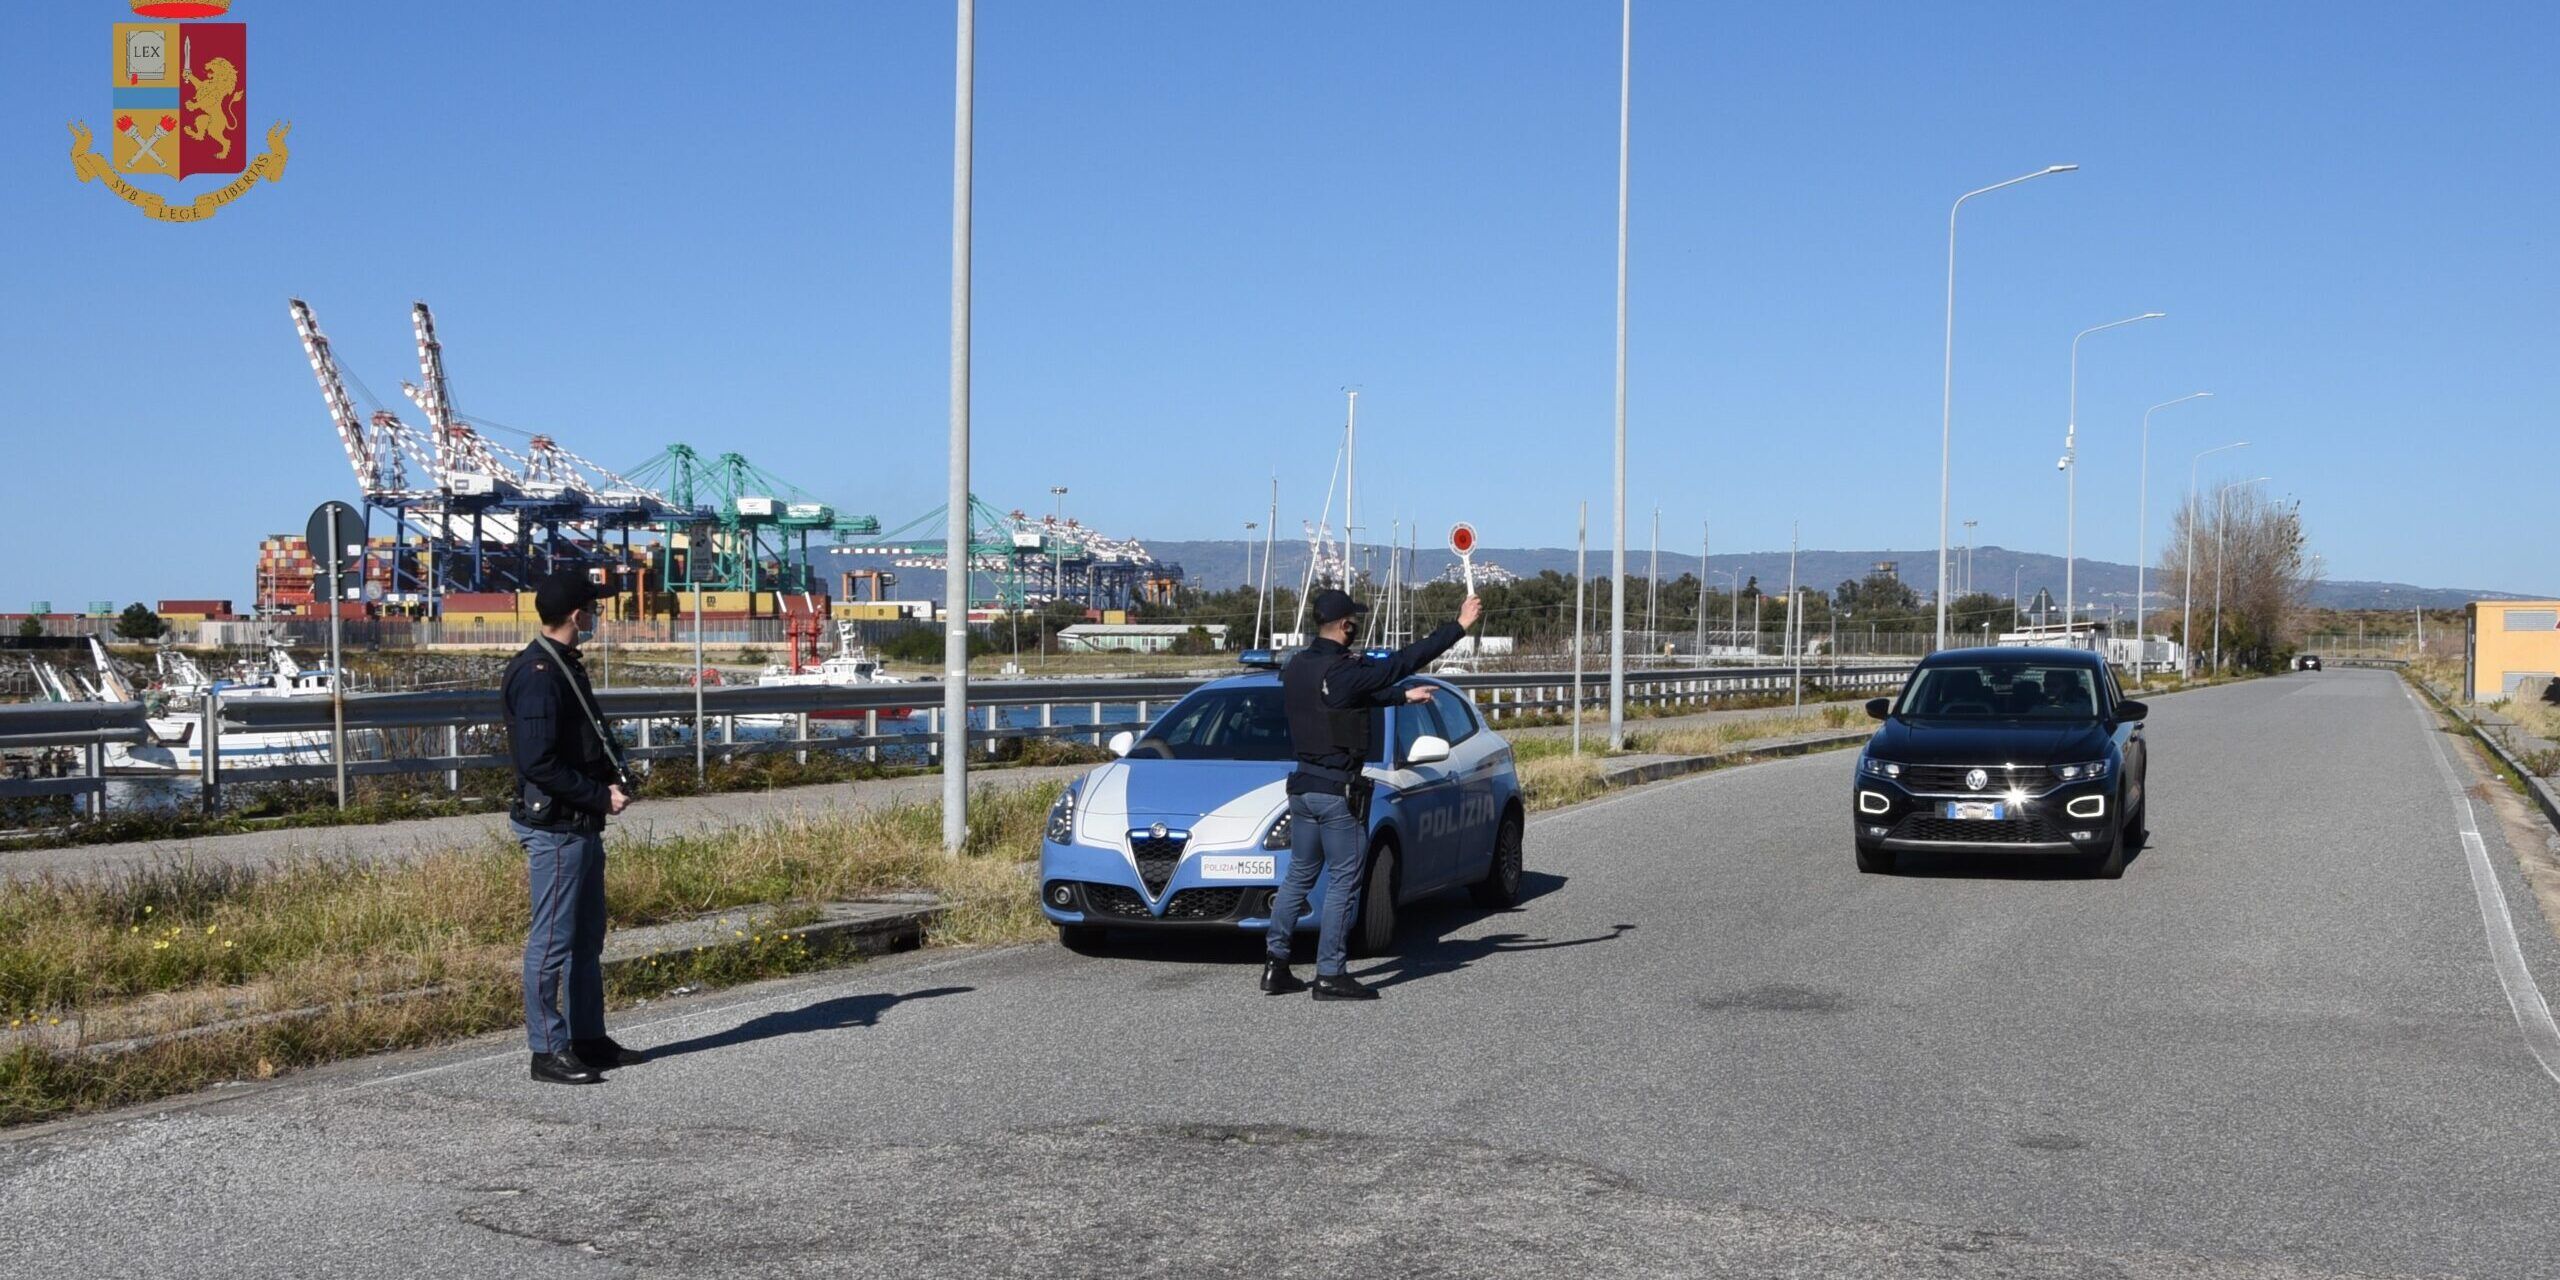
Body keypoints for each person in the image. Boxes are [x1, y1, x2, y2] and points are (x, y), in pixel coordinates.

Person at [1264, 587, 1482, 1000]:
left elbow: (1348, 699)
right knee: (1345, 880)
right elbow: (1404, 661)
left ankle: (1276, 966)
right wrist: (1459, 625)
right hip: (1336, 793)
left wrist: (1401, 696)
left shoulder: (1297, 667)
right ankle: (1330, 973)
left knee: (1298, 875)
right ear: (1346, 625)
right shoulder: (1344, 670)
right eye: (1355, 622)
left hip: (1303, 787)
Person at [503, 570, 642, 1084]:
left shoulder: (563, 665)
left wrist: (608, 778)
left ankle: (588, 1038)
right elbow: (538, 763)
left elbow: (575, 745)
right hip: (558, 828)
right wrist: (598, 795)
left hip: (580, 824)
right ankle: (547, 1051)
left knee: (587, 939)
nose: (599, 615)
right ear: (577, 615)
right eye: (595, 607)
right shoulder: (539, 673)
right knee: (553, 941)